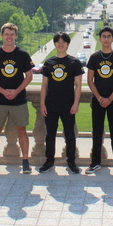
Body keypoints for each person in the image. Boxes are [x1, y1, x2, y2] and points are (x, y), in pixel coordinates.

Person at [0, 23, 35, 174]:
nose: (9, 37)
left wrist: (16, 91)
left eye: (12, 34)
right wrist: (3, 91)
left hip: (18, 99)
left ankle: (25, 161)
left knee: (22, 130)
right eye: (6, 34)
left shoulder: (22, 54)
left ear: (16, 36)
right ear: (2, 35)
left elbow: (29, 76)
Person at [39, 32, 83, 174]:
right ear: (54, 44)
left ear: (68, 44)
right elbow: (44, 85)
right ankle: (49, 161)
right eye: (58, 42)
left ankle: (71, 161)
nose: (61, 44)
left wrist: (76, 104)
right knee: (50, 135)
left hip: (68, 105)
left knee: (70, 135)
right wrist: (42, 104)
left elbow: (78, 85)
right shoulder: (49, 63)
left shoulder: (74, 62)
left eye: (63, 42)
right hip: (51, 105)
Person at [86, 26, 113, 175]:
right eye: (103, 36)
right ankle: (95, 163)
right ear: (99, 39)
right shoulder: (94, 57)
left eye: (109, 36)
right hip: (97, 100)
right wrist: (99, 98)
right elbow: (90, 80)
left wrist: (110, 99)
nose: (106, 39)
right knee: (97, 132)